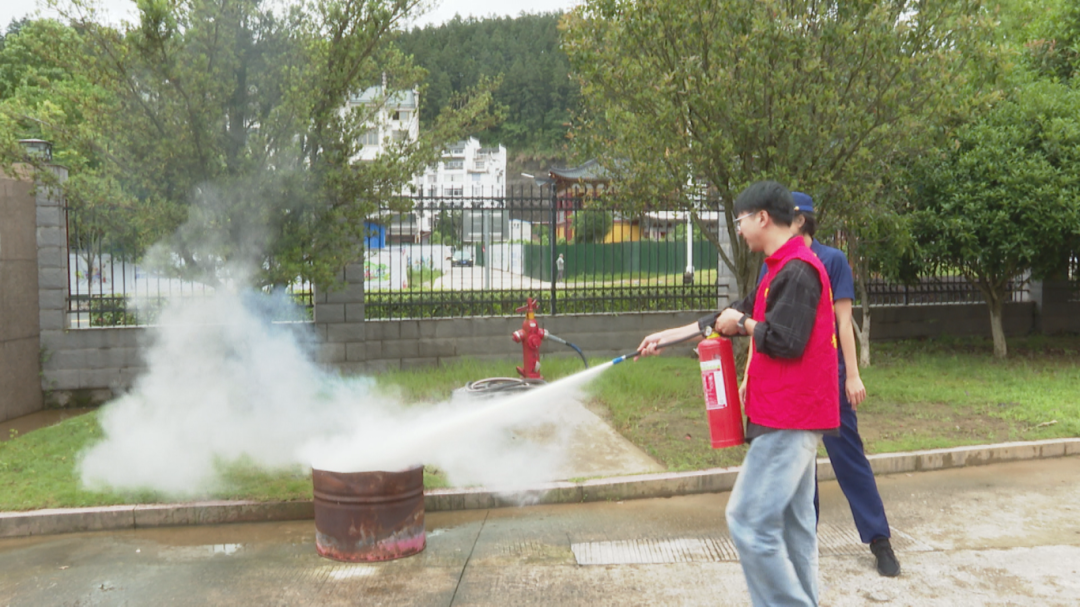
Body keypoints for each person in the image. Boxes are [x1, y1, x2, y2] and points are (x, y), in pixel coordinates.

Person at [638, 181, 839, 607]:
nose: (740, 229)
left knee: (748, 521)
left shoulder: (799, 272)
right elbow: (727, 316)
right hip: (788, 416)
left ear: (762, 217)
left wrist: (744, 326)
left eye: (740, 220)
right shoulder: (778, 269)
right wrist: (667, 336)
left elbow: (786, 341)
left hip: (789, 418)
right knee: (795, 527)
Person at [766, 192, 901, 577]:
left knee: (849, 459)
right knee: (799, 465)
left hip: (829, 378)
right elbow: (765, 324)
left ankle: (879, 540)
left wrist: (853, 374)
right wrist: (748, 378)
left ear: (800, 221)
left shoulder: (832, 260)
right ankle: (803, 544)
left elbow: (843, 322)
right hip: (792, 381)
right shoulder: (774, 264)